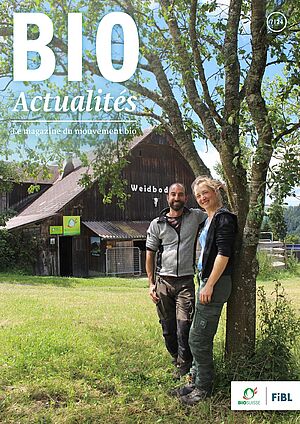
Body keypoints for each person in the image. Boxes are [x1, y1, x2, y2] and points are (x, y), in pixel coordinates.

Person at [175, 176, 237, 405]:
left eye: (205, 192)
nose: (202, 198)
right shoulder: (208, 219)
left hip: (216, 284)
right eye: (198, 195)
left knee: (198, 338)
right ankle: (194, 380)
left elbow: (223, 253)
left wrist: (209, 284)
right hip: (205, 281)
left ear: (216, 190)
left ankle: (203, 387)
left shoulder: (224, 218)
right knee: (197, 335)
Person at [146, 182, 206, 378]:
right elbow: (150, 254)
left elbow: (215, 212)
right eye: (173, 194)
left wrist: (217, 189)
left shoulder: (195, 217)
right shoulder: (157, 224)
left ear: (186, 198)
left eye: (180, 194)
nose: (177, 198)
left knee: (184, 326)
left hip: (186, 283)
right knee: (168, 329)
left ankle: (184, 365)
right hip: (164, 282)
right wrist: (151, 284)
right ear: (168, 197)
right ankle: (176, 357)